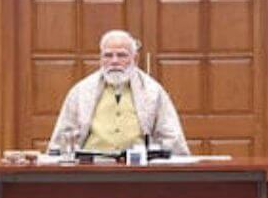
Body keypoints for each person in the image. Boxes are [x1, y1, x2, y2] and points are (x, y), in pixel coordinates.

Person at [47, 29, 190, 156]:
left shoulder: (153, 91)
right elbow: (64, 134)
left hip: (138, 168)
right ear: (101, 59)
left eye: (122, 55)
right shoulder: (81, 91)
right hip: (92, 167)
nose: (114, 61)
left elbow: (170, 135)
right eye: (108, 55)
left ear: (135, 58)